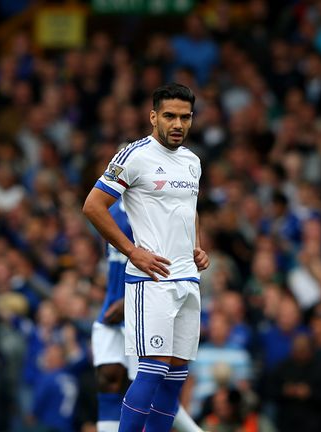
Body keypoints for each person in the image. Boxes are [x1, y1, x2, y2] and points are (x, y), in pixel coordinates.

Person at [83, 83, 209, 432]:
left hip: (188, 278)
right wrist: (133, 252)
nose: (178, 124)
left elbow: (189, 208)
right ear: (153, 116)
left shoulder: (192, 162)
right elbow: (93, 206)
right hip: (152, 280)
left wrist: (197, 245)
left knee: (175, 377)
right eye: (169, 116)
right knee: (152, 370)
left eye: (185, 117)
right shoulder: (135, 155)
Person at [92, 200, 203, 432]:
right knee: (108, 378)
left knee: (150, 381)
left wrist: (129, 300)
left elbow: (167, 255)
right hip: (111, 309)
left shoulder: (155, 206)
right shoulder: (110, 209)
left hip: (142, 303)